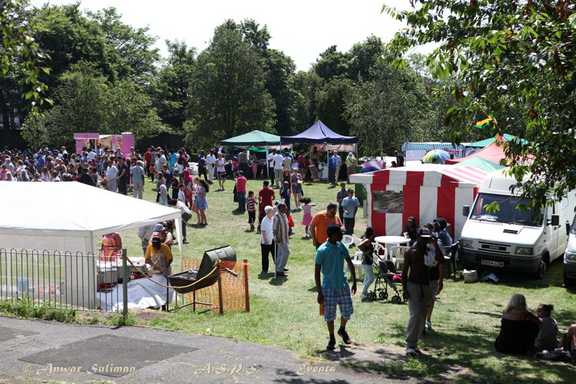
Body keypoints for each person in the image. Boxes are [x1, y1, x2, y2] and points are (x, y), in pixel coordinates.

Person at [315, 224, 357, 351]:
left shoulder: (341, 246)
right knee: (330, 315)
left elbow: (350, 263)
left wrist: (354, 281)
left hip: (343, 285)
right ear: (332, 235)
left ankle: (342, 329)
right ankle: (332, 338)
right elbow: (316, 272)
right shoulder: (322, 250)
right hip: (328, 287)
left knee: (347, 311)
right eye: (339, 233)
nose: (341, 235)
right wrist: (319, 291)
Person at [402, 229, 436, 356]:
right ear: (418, 237)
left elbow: (438, 261)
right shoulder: (411, 252)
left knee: (422, 315)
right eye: (423, 238)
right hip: (413, 285)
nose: (426, 240)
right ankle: (410, 344)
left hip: (426, 285)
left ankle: (414, 344)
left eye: (427, 238)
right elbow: (404, 272)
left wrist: (435, 244)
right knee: (415, 314)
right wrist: (404, 289)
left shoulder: (430, 251)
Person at [424, 230, 444, 332]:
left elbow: (440, 264)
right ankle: (422, 321)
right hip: (422, 278)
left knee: (431, 300)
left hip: (432, 278)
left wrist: (441, 281)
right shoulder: (421, 247)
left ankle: (428, 320)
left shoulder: (437, 249)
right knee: (422, 300)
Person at [358, 227, 376, 302]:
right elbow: (359, 245)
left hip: (367, 261)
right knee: (371, 278)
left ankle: (364, 291)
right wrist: (365, 252)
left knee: (367, 278)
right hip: (366, 262)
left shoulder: (366, 239)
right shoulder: (367, 240)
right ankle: (364, 292)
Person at [273, 203, 290, 277]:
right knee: (286, 253)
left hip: (285, 238)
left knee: (280, 254)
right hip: (280, 239)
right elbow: (274, 229)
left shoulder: (285, 215)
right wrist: (276, 238)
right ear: (280, 209)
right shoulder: (276, 217)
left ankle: (278, 268)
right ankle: (280, 270)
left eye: (286, 207)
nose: (286, 209)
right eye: (284, 208)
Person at [260, 206, 275, 275]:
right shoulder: (264, 220)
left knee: (275, 255)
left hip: (272, 240)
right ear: (268, 212)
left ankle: (279, 268)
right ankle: (264, 270)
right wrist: (266, 241)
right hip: (265, 242)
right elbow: (263, 232)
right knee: (265, 256)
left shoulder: (272, 218)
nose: (273, 212)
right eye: (272, 211)